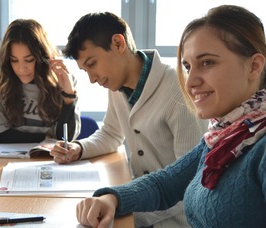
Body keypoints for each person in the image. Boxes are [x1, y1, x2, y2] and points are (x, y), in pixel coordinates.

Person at [75, 5, 266, 228]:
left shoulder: (258, 148)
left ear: (254, 66)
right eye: (187, 66)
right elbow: (165, 183)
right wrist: (112, 198)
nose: (190, 81)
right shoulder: (224, 135)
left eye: (207, 63)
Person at [50, 12, 207, 228]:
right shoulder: (116, 86)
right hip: (139, 205)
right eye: (85, 70)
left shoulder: (178, 90)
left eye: (92, 63)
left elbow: (190, 183)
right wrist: (78, 148)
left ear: (118, 43)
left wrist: (128, 211)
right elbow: (111, 134)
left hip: (175, 220)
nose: (92, 79)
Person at [0, 19, 81, 144]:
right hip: (11, 159)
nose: (21, 68)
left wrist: (68, 96)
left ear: (42, 57)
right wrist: (45, 138)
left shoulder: (63, 80)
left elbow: (65, 139)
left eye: (29, 60)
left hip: (51, 160)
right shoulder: (1, 79)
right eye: (14, 60)